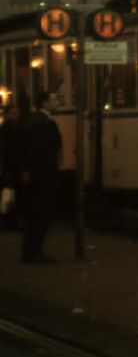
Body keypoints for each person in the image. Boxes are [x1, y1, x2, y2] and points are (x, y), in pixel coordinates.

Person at [18, 91, 62, 263]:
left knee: (34, 215)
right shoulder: (44, 123)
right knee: (41, 214)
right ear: (45, 103)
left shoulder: (33, 121)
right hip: (43, 175)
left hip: (36, 175)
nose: (57, 102)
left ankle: (30, 250)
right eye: (55, 99)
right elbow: (44, 151)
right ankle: (34, 251)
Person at [0, 102, 23, 231]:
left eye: (17, 113)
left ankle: (8, 221)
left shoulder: (6, 128)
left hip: (8, 167)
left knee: (9, 194)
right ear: (7, 114)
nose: (16, 116)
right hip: (10, 167)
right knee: (11, 194)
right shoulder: (10, 129)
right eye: (14, 113)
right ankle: (10, 222)